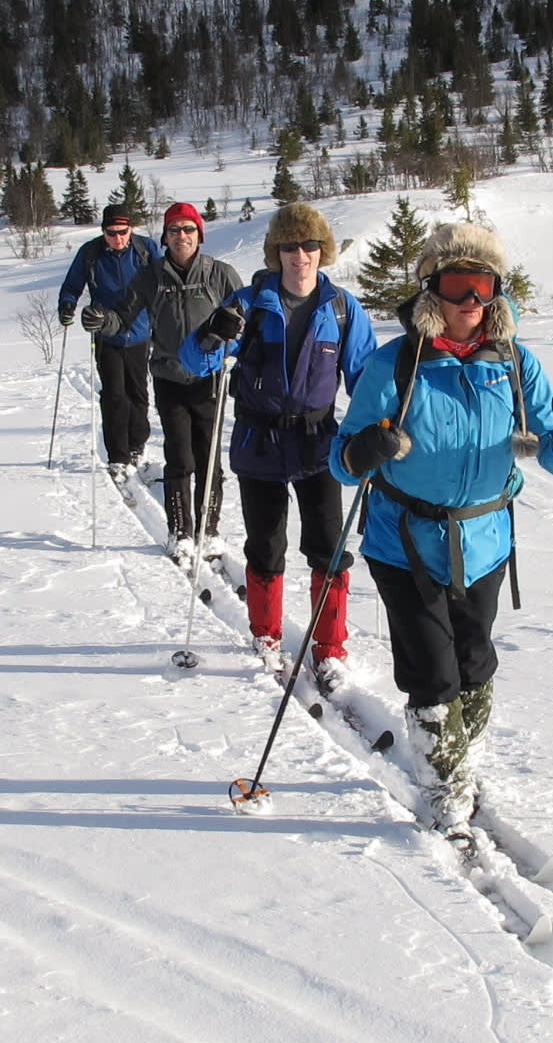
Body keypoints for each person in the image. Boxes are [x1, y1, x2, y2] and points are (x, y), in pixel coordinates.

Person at [331, 221, 553, 831]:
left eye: (483, 285)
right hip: (403, 542)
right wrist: (363, 453)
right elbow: (342, 461)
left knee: (476, 662)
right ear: (433, 289)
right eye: (458, 284)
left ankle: (463, 761)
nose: (471, 301)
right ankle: (445, 788)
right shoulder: (396, 364)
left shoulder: (514, 362)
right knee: (433, 671)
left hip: (484, 540)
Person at [178, 202, 378, 688]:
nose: (300, 255)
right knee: (266, 545)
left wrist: (377, 429)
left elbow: (367, 379)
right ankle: (267, 637)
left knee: (328, 547)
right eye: (290, 246)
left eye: (309, 246)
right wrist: (210, 335)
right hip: (259, 440)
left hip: (318, 442)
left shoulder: (341, 308)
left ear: (322, 252)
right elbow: (194, 361)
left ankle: (329, 648)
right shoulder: (247, 303)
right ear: (276, 252)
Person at [90, 202, 243, 549]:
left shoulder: (219, 273)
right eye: (174, 230)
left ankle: (209, 529)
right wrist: (101, 321)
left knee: (209, 458)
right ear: (165, 237)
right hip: (168, 378)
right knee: (179, 457)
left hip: (210, 380)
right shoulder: (150, 276)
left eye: (188, 229)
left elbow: (246, 316)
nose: (181, 236)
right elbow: (123, 317)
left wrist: (233, 335)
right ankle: (181, 533)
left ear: (199, 234)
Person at [58, 205, 156, 471]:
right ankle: (118, 456)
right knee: (114, 395)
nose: (117, 238)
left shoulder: (145, 249)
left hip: (138, 332)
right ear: (103, 232)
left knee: (138, 393)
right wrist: (67, 305)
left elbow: (163, 281)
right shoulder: (90, 253)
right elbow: (72, 284)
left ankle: (137, 444)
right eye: (111, 233)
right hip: (105, 333)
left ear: (130, 229)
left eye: (122, 232)